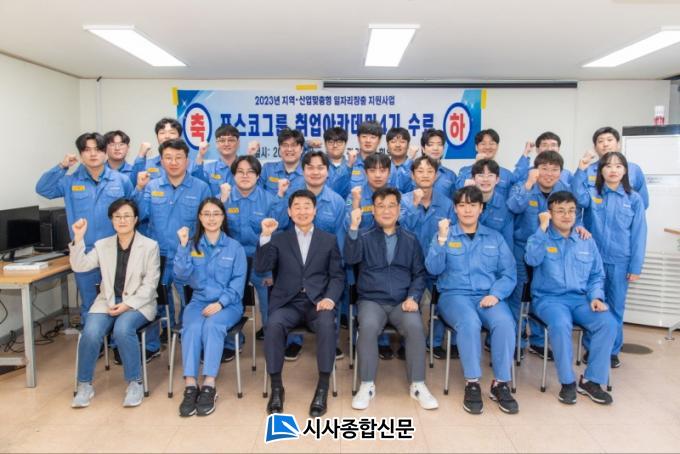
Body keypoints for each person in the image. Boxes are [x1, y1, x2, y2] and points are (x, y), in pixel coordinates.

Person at [425, 186, 519, 415]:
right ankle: (472, 382)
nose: (467, 210)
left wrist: (496, 294)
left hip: (488, 295)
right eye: (462, 205)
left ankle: (501, 383)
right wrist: (441, 240)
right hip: (454, 295)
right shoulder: (444, 235)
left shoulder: (494, 237)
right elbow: (432, 269)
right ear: (455, 209)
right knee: (469, 323)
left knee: (505, 323)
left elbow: (509, 272)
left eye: (473, 205)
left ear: (481, 209)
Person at [345, 187, 437, 411]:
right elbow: (350, 258)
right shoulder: (363, 236)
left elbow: (419, 274)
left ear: (399, 209)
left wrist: (413, 297)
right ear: (373, 210)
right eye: (381, 206)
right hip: (371, 300)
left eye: (391, 206)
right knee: (367, 327)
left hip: (402, 301)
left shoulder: (410, 239)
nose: (386, 211)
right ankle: (366, 385)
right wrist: (353, 228)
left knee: (415, 327)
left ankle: (418, 384)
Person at [255, 189, 344, 417]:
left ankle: (322, 387)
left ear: (315, 210)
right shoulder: (278, 239)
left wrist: (329, 298)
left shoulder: (328, 240)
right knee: (273, 326)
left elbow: (337, 276)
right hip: (288, 303)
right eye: (297, 207)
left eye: (307, 206)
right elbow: (262, 267)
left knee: (327, 325)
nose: (302, 211)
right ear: (289, 212)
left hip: (318, 303)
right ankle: (277, 387)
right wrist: (265, 236)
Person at [525, 191, 616, 405]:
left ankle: (591, 381)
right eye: (560, 211)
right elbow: (531, 259)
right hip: (549, 300)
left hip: (581, 299)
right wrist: (542, 228)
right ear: (549, 213)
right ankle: (567, 382)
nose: (566, 216)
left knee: (608, 323)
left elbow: (597, 275)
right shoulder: (541, 237)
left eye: (571, 211)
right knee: (560, 324)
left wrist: (596, 297)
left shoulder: (586, 240)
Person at [70, 199, 160, 408]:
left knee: (122, 329)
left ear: (135, 219)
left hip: (139, 303)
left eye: (127, 216)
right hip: (107, 302)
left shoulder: (149, 246)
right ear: (111, 220)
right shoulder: (103, 245)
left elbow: (150, 285)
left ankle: (135, 383)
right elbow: (80, 266)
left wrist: (128, 305)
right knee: (90, 332)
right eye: (117, 216)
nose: (122, 220)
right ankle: (84, 385)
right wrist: (79, 238)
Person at [36, 132, 133, 324]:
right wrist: (62, 166)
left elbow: (133, 209)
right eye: (87, 150)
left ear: (105, 152)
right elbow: (43, 189)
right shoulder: (70, 181)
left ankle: (115, 338)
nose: (93, 154)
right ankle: (92, 337)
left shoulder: (121, 180)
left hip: (116, 251)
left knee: (118, 300)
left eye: (97, 149)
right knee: (90, 303)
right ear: (81, 154)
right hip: (85, 252)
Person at [572, 151, 647, 368]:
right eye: (608, 166)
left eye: (618, 166)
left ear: (625, 171)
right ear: (600, 171)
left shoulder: (634, 199)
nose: (613, 170)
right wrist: (581, 169)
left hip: (620, 262)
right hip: (592, 261)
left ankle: (612, 350)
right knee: (592, 303)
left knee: (615, 307)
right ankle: (591, 348)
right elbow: (576, 196)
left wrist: (635, 266)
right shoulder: (592, 193)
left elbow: (639, 234)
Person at [134, 139, 211, 347]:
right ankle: (153, 344)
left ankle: (189, 339)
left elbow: (209, 223)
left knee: (191, 300)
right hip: (158, 256)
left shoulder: (201, 188)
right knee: (154, 302)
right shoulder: (152, 186)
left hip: (189, 256)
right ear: (161, 161)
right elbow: (139, 215)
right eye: (168, 158)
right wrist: (139, 189)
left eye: (179, 157)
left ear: (187, 160)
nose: (173, 162)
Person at [174, 197, 247, 417]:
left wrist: (220, 303)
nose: (211, 218)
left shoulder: (235, 247)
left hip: (229, 304)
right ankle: (190, 385)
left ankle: (208, 385)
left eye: (216, 214)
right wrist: (183, 246)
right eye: (206, 214)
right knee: (192, 328)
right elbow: (180, 276)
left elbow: (238, 282)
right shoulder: (192, 245)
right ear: (199, 217)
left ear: (223, 217)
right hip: (198, 301)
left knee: (212, 326)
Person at [278, 151, 346, 361]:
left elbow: (340, 237)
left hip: (326, 265)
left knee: (331, 299)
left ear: (328, 171)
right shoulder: (292, 197)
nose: (315, 172)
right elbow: (281, 229)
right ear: (303, 170)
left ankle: (331, 342)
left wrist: (338, 266)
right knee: (292, 300)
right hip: (295, 264)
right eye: (310, 167)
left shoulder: (336, 202)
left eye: (320, 167)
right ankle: (293, 342)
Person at [507, 150, 574, 358]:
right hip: (521, 248)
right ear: (535, 170)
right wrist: (528, 184)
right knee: (519, 296)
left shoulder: (564, 190)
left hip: (550, 251)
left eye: (554, 169)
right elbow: (513, 207)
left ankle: (538, 341)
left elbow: (573, 216)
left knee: (542, 295)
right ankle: (517, 341)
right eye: (544, 168)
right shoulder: (523, 186)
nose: (549, 173)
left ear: (561, 172)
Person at [222, 155, 287, 358]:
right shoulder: (224, 198)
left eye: (250, 172)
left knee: (269, 305)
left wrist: (281, 197)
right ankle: (232, 343)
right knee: (232, 302)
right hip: (233, 263)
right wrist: (222, 202)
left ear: (258, 176)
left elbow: (281, 228)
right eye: (240, 172)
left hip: (262, 261)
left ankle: (272, 342)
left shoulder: (269, 199)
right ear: (233, 175)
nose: (245, 176)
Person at [399, 156, 456, 360]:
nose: (425, 175)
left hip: (436, 262)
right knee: (408, 301)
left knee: (440, 299)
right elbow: (401, 229)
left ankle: (435, 342)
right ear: (412, 175)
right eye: (420, 171)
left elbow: (450, 235)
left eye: (429, 171)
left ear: (437, 175)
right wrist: (414, 205)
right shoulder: (403, 200)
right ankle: (407, 342)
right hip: (408, 263)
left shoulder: (447, 204)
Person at [343, 152, 394, 358]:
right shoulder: (355, 194)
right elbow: (348, 225)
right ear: (365, 173)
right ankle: (360, 337)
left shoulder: (394, 195)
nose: (378, 175)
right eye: (373, 170)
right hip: (360, 256)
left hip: (388, 254)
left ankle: (383, 340)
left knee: (385, 295)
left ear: (389, 172)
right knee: (360, 298)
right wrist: (356, 204)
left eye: (382, 170)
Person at [586, 127, 649, 209]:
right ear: (595, 148)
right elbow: (578, 202)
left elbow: (643, 203)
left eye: (609, 140)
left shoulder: (634, 169)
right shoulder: (587, 171)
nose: (605, 144)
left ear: (618, 145)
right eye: (600, 141)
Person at [192, 124, 258, 197]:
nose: (226, 144)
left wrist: (251, 158)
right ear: (217, 144)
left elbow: (256, 189)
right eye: (222, 140)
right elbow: (197, 187)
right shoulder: (208, 169)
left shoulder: (246, 167)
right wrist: (200, 155)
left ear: (238, 143)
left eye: (231, 140)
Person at [456, 129, 523, 198]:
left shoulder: (507, 174)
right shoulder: (464, 171)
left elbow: (513, 199)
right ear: (476, 147)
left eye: (491, 143)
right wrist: (476, 165)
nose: (487, 147)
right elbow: (459, 189)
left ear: (497, 146)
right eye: (483, 144)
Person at [471, 159, 514, 247]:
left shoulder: (505, 207)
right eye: (481, 175)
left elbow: (507, 242)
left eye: (490, 175)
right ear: (473, 179)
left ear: (497, 179)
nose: (485, 179)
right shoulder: (464, 203)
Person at [131, 117, 184, 184]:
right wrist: (141, 155)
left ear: (179, 137)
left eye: (172, 133)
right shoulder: (148, 164)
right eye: (162, 133)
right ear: (157, 137)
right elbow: (133, 185)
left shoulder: (189, 165)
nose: (167, 136)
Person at [259, 128, 306, 195]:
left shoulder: (308, 173)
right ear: (280, 149)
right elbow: (257, 194)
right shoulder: (267, 169)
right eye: (285, 145)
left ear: (301, 149)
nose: (289, 149)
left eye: (294, 145)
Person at [419, 128, 457, 198]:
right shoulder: (414, 173)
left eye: (439, 144)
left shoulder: (450, 175)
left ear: (443, 148)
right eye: (431, 144)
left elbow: (456, 200)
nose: (435, 148)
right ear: (423, 149)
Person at [323, 127, 356, 199]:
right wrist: (307, 144)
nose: (335, 145)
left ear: (345, 144)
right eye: (331, 142)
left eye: (339, 142)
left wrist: (349, 166)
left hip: (348, 205)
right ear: (325, 144)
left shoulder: (353, 165)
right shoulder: (320, 166)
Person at [350, 121, 383, 189]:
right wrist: (349, 166)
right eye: (364, 136)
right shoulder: (349, 165)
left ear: (379, 140)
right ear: (358, 139)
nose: (368, 140)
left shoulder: (387, 166)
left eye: (372, 137)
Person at [386, 127, 415, 193]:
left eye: (402, 142)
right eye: (393, 142)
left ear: (408, 145)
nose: (398, 145)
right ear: (388, 145)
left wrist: (409, 162)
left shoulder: (416, 167)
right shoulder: (383, 167)